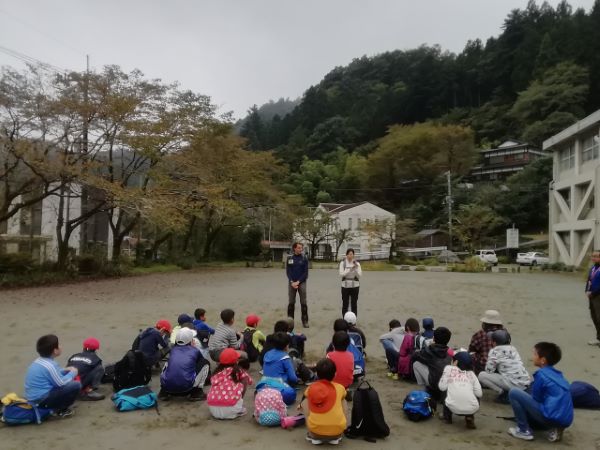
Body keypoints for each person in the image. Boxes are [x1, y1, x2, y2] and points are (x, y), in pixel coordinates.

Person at [507, 342, 574, 442]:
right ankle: (555, 428)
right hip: (566, 419)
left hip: (550, 416)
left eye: (535, 354)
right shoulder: (559, 375)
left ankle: (523, 430)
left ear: (543, 360)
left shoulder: (541, 374)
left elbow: (537, 398)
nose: (532, 357)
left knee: (514, 392)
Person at [24, 334, 81, 418]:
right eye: (58, 345)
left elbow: (51, 374)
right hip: (40, 400)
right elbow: (61, 383)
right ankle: (61, 410)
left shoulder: (38, 361)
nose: (60, 346)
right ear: (55, 351)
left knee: (67, 378)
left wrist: (65, 370)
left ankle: (55, 407)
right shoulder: (50, 365)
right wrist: (73, 373)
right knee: (75, 385)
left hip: (33, 398)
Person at [301, 358, 348, 445]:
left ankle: (312, 435)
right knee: (343, 399)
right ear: (335, 374)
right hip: (337, 432)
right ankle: (337, 431)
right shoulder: (340, 388)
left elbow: (305, 402)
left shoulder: (311, 388)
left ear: (317, 374)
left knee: (305, 401)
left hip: (315, 432)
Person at [478, 329, 530, 403]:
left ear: (494, 342)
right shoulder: (513, 349)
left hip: (514, 384)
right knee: (505, 371)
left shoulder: (494, 351)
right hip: (525, 382)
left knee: (481, 375)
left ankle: (503, 393)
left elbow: (489, 370)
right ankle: (508, 391)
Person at [159, 328, 210, 401]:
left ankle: (163, 392)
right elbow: (200, 362)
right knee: (205, 363)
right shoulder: (195, 350)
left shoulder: (173, 350)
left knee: (168, 363)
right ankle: (197, 392)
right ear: (190, 340)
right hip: (186, 389)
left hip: (167, 388)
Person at [438, 351, 482, 429]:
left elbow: (441, 387)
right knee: (474, 391)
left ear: (455, 362)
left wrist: (449, 371)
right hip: (472, 409)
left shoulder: (448, 369)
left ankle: (447, 417)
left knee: (445, 389)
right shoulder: (472, 374)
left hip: (452, 407)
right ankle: (469, 417)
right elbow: (479, 394)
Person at [207, 348, 253, 420]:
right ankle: (237, 407)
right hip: (231, 408)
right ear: (236, 360)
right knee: (244, 379)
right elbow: (249, 380)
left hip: (213, 409)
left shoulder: (216, 372)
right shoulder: (238, 370)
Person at [412, 327, 452, 401]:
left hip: (434, 383)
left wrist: (427, 346)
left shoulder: (430, 350)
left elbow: (415, 355)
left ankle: (424, 390)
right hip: (446, 385)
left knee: (416, 364)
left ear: (434, 338)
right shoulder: (449, 352)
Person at [468, 310, 505, 374]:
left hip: (484, 366)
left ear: (485, 323)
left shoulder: (480, 334)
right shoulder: (504, 333)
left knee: (468, 356)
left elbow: (471, 349)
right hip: (502, 366)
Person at [286, 242, 310, 328]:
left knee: (303, 302)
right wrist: (292, 281)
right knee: (291, 302)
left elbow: (305, 273)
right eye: (299, 248)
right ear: (294, 248)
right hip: (292, 283)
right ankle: (290, 322)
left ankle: (305, 321)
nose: (301, 249)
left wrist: (298, 282)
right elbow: (288, 272)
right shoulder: (289, 258)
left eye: (301, 248)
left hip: (301, 282)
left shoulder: (304, 258)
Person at [339, 249, 362, 317]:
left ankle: (353, 320)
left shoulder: (357, 263)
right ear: (346, 255)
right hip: (345, 286)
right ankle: (345, 319)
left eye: (352, 254)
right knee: (345, 303)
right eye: (349, 254)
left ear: (353, 255)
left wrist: (355, 269)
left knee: (354, 304)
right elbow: (341, 274)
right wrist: (349, 269)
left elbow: (359, 276)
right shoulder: (343, 263)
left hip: (355, 286)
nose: (350, 256)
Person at [585, 251, 600, 346]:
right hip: (591, 296)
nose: (593, 258)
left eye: (596, 256)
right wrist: (586, 290)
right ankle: (598, 338)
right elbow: (589, 280)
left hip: (598, 296)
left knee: (599, 318)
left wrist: (593, 293)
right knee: (594, 317)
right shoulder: (593, 268)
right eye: (592, 256)